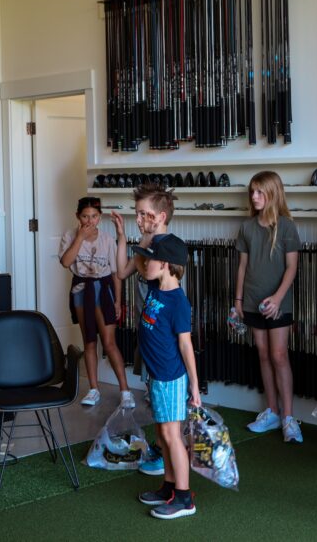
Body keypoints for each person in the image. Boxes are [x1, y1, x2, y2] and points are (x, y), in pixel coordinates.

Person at [110, 182, 177, 475]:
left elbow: (151, 276)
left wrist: (143, 244)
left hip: (162, 337)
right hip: (147, 333)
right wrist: (122, 236)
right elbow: (121, 272)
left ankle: (168, 454)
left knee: (164, 399)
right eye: (137, 213)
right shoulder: (146, 242)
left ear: (160, 216)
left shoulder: (165, 246)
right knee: (153, 393)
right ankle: (163, 449)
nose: (138, 218)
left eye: (143, 213)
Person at [132, 234, 200, 520]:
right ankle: (169, 487)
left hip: (171, 378)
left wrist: (194, 386)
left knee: (173, 436)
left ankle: (184, 498)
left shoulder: (178, 303)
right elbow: (138, 261)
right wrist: (146, 234)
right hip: (156, 376)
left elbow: (185, 345)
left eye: (152, 259)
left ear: (166, 265)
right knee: (162, 434)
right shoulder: (155, 286)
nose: (145, 263)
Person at [234, 171, 303, 443]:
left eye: (259, 191)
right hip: (252, 301)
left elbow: (292, 267)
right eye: (252, 191)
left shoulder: (286, 227)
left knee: (279, 355)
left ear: (273, 193)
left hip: (279, 304)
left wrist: (277, 299)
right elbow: (242, 267)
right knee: (263, 355)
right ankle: (272, 412)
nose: (254, 196)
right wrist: (238, 300)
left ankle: (289, 418)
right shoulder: (246, 227)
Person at [59, 196, 133, 409]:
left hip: (103, 289)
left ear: (99, 217)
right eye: (85, 216)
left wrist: (118, 301)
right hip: (81, 290)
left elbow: (116, 273)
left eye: (93, 216)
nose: (89, 221)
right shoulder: (70, 236)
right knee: (89, 340)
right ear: (77, 216)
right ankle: (93, 389)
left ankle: (125, 391)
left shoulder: (107, 240)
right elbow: (65, 262)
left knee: (109, 342)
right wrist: (80, 238)